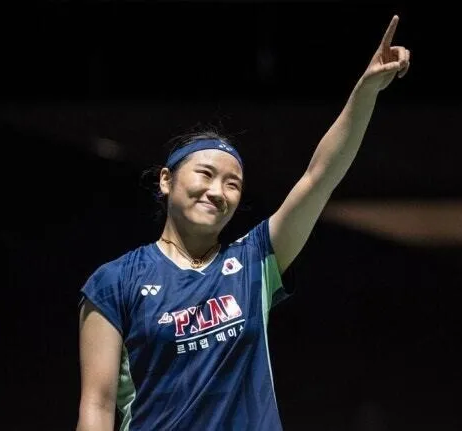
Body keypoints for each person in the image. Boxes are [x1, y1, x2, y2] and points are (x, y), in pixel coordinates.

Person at [76, 15, 410, 431]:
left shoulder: (255, 262)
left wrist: (365, 92)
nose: (217, 191)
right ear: (166, 180)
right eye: (205, 174)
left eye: (232, 184)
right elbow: (97, 405)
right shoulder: (115, 282)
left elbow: (319, 176)